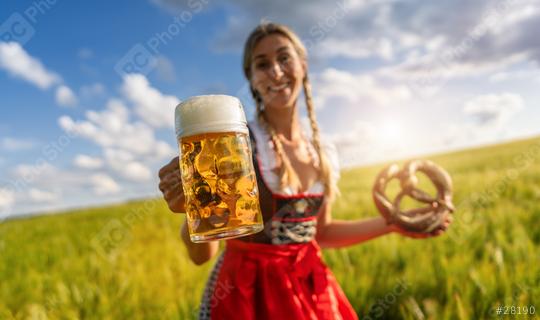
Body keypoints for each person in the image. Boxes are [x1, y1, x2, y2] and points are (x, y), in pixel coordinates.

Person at [158, 22, 452, 320]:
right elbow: (201, 256)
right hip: (246, 295)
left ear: (303, 64)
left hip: (308, 286)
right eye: (262, 64)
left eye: (284, 58)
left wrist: (394, 223)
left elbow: (320, 232)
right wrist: (193, 211)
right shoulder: (233, 146)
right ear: (252, 79)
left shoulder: (322, 150)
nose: (275, 71)